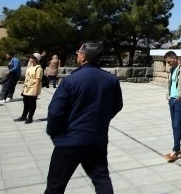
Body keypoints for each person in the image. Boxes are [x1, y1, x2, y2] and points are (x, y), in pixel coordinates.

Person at [45, 42, 123, 194]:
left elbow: (55, 111)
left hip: (69, 141)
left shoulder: (70, 80)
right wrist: (102, 119)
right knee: (102, 180)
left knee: (56, 185)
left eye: (78, 52)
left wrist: (53, 132)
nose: (76, 55)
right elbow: (117, 105)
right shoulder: (111, 80)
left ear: (83, 56)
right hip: (96, 139)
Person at [16, 54, 43, 124]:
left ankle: (30, 117)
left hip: (33, 87)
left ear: (36, 59)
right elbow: (26, 78)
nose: (30, 59)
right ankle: (24, 116)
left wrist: (36, 90)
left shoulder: (39, 68)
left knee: (32, 103)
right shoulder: (30, 67)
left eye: (32, 58)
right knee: (25, 102)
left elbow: (38, 80)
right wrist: (23, 87)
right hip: (27, 87)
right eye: (30, 58)